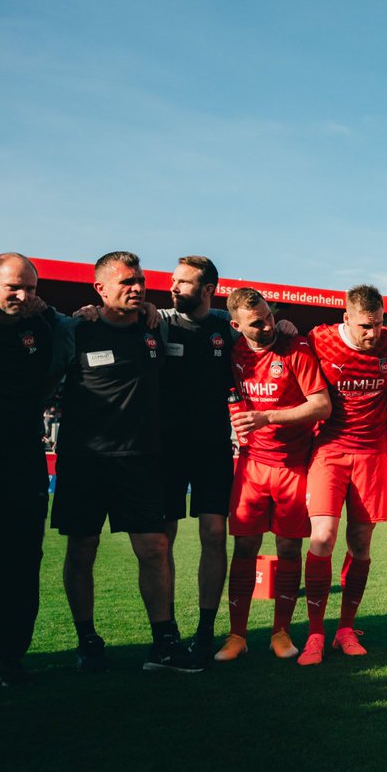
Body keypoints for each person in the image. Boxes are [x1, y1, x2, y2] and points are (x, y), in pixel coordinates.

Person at [50, 251, 201, 673]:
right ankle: (87, 640)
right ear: (99, 289)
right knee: (82, 548)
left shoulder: (158, 324)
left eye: (140, 281)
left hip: (142, 460)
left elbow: (213, 318)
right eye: (125, 282)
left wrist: (278, 320)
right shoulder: (75, 329)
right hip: (84, 460)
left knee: (154, 547)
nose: (136, 288)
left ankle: (164, 642)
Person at [214, 288, 330, 663]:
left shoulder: (295, 348)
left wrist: (267, 416)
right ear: (236, 326)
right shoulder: (232, 352)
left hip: (293, 466)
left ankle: (281, 631)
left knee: (288, 548)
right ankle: (237, 635)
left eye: (268, 316)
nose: (266, 325)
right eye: (256, 322)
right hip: (251, 466)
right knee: (245, 548)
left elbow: (321, 406)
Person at [302, 285, 387, 663]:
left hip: (371, 454)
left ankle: (345, 628)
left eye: (379, 324)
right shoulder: (320, 339)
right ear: (346, 318)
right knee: (323, 537)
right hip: (329, 450)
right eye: (366, 326)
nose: (373, 333)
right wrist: (281, 324)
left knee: (361, 544)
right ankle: (315, 632)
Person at [157, 256, 236, 661]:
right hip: (166, 448)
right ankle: (166, 630)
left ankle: (205, 630)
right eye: (173, 280)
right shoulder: (158, 321)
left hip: (212, 446)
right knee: (161, 541)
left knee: (213, 535)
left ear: (207, 290)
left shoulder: (226, 327)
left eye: (184, 282)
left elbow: (260, 326)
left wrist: (282, 324)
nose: (173, 287)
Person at [0, 254, 55, 685]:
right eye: (13, 288)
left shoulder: (44, 325)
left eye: (31, 289)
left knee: (23, 558)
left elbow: (97, 321)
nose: (23, 296)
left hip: (23, 460)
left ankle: (11, 658)